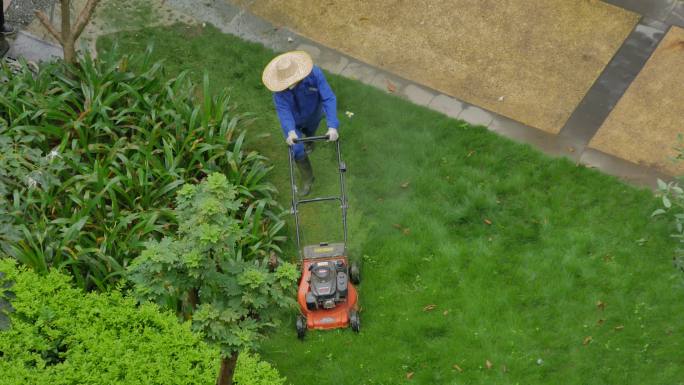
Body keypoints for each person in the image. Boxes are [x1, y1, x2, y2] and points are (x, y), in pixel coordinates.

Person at [262, 51, 339, 196]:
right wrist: (290, 131)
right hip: (293, 123)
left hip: (313, 115)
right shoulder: (278, 92)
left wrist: (332, 126)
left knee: (310, 133)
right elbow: (283, 111)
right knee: (296, 150)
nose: (288, 85)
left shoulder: (315, 74)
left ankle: (310, 142)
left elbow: (328, 98)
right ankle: (308, 179)